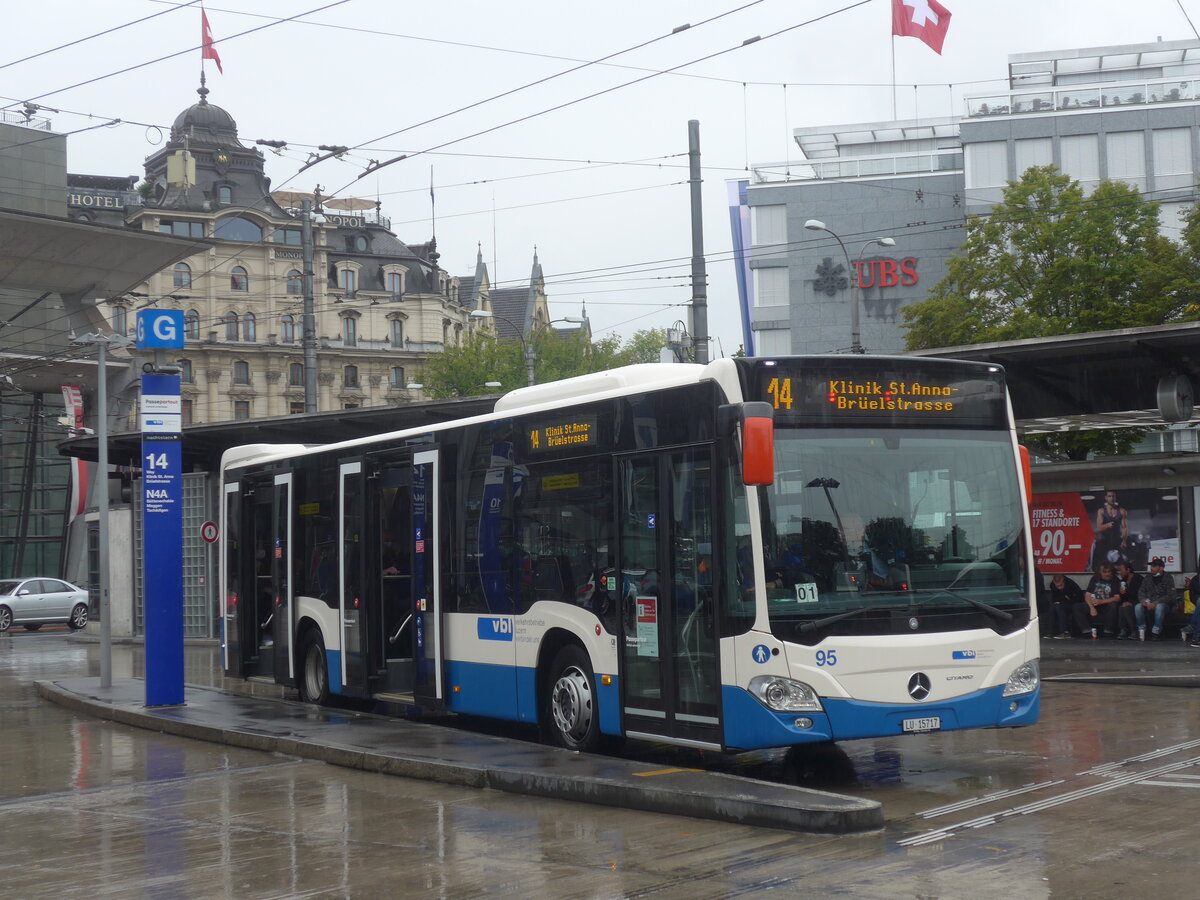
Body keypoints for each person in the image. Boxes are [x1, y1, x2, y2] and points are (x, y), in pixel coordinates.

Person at [1074, 562, 1122, 639]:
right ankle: (1087, 630)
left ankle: (1108, 631)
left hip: (1106, 604)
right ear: (1100, 572)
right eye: (1105, 572)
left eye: (1109, 572)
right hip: (1094, 604)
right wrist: (1091, 608)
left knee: (1113, 606)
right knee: (1077, 607)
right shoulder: (1095, 578)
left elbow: (1117, 598)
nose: (1107, 574)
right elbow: (1087, 595)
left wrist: (1101, 601)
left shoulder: (1115, 580)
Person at [1136, 557, 1175, 641]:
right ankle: (1141, 630)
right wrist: (1143, 600)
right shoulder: (1147, 577)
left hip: (1163, 605)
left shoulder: (1168, 578)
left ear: (1161, 568)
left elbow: (1170, 595)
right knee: (1138, 607)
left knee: (1160, 607)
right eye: (1151, 566)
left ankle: (1156, 632)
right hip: (1148, 603)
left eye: (1154, 566)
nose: (1151, 568)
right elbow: (1141, 591)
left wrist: (1156, 603)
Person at [1091, 490, 1128, 570]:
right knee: (1101, 565)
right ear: (1106, 498)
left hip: (1117, 540)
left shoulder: (1122, 511)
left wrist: (1124, 541)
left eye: (1113, 496)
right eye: (1109, 496)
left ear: (1115, 497)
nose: (1111, 498)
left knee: (1122, 563)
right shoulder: (1101, 511)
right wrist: (1107, 525)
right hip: (1105, 541)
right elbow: (1099, 527)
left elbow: (1124, 528)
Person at [1048, 572, 1083, 638]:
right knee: (1052, 609)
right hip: (1060, 603)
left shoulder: (1071, 584)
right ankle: (1052, 632)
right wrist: (1062, 599)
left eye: (1061, 585)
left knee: (1059, 608)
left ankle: (1065, 632)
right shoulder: (1052, 585)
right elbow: (1054, 598)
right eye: (1057, 586)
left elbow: (1078, 597)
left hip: (1073, 603)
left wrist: (1063, 600)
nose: (1059, 588)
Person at [1115, 560, 1142, 640]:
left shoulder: (1138, 579)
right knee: (1122, 607)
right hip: (1126, 603)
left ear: (1128, 570)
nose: (1120, 572)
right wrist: (1122, 593)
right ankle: (1123, 630)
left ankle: (1134, 631)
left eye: (1121, 570)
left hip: (1138, 602)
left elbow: (1141, 594)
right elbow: (1123, 598)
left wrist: (1132, 603)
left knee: (1126, 608)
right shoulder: (1122, 581)